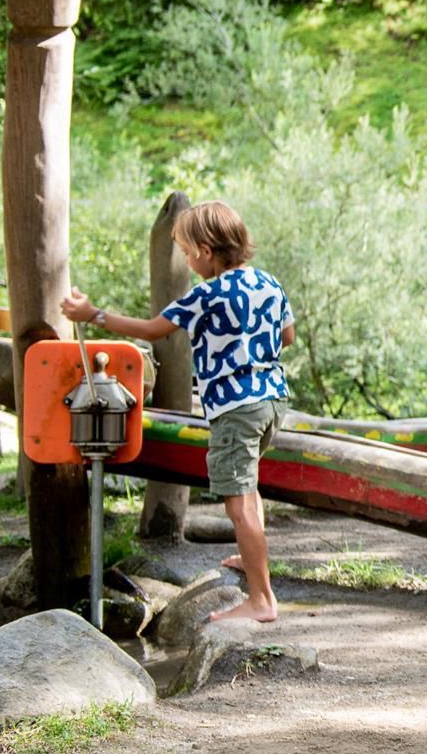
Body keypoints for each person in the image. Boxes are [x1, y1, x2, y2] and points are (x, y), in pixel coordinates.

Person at [61, 200, 294, 622]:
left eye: (187, 253)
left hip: (236, 407)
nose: (187, 261)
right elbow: (288, 335)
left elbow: (154, 330)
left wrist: (93, 315)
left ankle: (261, 600)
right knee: (249, 487)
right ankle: (251, 559)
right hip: (272, 402)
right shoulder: (268, 282)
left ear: (205, 251)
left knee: (238, 504)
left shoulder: (206, 294)